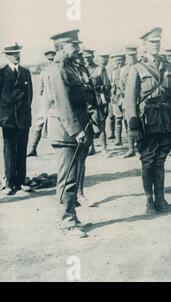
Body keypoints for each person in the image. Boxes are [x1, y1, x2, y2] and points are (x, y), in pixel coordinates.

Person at [47, 30, 99, 237]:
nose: (78, 49)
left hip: (76, 129)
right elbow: (63, 104)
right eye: (74, 46)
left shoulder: (72, 67)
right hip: (66, 132)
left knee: (75, 175)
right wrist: (76, 130)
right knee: (67, 177)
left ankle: (72, 217)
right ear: (61, 47)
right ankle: (66, 222)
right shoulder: (58, 69)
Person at [124, 27, 171, 213]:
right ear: (144, 45)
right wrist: (132, 124)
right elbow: (130, 99)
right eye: (151, 42)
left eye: (158, 42)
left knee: (161, 160)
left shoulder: (167, 66)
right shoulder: (137, 67)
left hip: (165, 118)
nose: (155, 45)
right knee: (148, 160)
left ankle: (161, 199)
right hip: (147, 121)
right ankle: (149, 201)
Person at [0, 42, 33, 196]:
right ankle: (9, 183)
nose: (16, 56)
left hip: (23, 118)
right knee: (9, 151)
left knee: (22, 150)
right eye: (13, 54)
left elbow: (29, 95)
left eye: (18, 53)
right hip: (7, 119)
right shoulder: (1, 73)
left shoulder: (26, 72)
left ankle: (20, 182)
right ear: (7, 56)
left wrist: (25, 111)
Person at [83, 49, 112, 158]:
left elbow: (107, 86)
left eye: (88, 58)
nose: (86, 60)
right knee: (88, 125)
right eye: (84, 58)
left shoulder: (100, 69)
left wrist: (98, 90)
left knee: (99, 125)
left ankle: (104, 149)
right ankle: (91, 148)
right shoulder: (82, 70)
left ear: (92, 57)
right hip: (86, 102)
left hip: (97, 101)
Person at [27, 50, 56, 157]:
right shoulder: (45, 72)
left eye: (52, 59)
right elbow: (40, 90)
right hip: (47, 102)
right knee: (39, 123)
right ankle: (32, 148)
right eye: (50, 60)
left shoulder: (57, 70)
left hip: (55, 102)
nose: (51, 61)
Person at [121, 46, 139, 158]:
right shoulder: (123, 70)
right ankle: (131, 148)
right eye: (129, 55)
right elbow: (122, 87)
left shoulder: (141, 66)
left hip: (141, 100)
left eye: (133, 55)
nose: (132, 57)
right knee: (129, 124)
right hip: (129, 100)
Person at [110, 53, 126, 146]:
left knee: (127, 119)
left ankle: (132, 140)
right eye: (117, 60)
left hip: (124, 97)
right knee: (118, 119)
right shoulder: (114, 71)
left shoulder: (128, 69)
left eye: (120, 60)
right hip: (116, 98)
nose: (119, 62)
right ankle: (118, 140)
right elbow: (112, 85)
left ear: (124, 60)